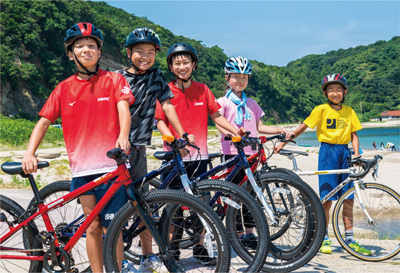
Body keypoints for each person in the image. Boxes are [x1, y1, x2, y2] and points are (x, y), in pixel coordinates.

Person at [21, 23, 134, 273]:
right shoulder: (63, 88)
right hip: (83, 168)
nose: (86, 49)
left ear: (99, 52)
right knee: (92, 226)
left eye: (92, 45)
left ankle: (117, 269)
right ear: (71, 53)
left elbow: (124, 109)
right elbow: (43, 122)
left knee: (114, 228)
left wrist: (123, 135)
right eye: (80, 46)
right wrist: (30, 152)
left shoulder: (114, 80)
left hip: (112, 167)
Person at [155, 43, 244, 265]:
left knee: (201, 204)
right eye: (177, 63)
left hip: (199, 157)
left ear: (194, 64)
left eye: (186, 62)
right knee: (174, 207)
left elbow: (217, 116)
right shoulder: (165, 90)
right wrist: (172, 139)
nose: (182, 66)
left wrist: (236, 131)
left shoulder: (203, 89)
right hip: (175, 158)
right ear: (171, 66)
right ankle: (172, 249)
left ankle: (199, 246)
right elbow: (160, 122)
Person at [117, 27, 193, 272]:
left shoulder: (157, 77)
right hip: (114, 149)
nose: (145, 56)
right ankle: (115, 259)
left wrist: (182, 133)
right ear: (129, 53)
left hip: (138, 148)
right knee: (115, 207)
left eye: (151, 52)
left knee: (142, 204)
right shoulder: (116, 78)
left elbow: (168, 106)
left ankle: (147, 255)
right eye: (140, 51)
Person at [275, 73, 371, 256]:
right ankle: (324, 237)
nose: (335, 93)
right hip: (327, 153)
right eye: (331, 90)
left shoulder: (350, 111)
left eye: (338, 90)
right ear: (326, 93)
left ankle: (349, 239)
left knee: (348, 198)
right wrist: (283, 142)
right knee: (327, 197)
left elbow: (354, 135)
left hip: (345, 153)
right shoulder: (320, 110)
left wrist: (357, 155)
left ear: (345, 91)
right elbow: (303, 127)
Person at [216, 56, 292, 248]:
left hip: (252, 154)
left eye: (244, 77)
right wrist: (232, 133)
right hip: (232, 155)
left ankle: (249, 234)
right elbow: (219, 125)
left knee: (252, 194)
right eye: (236, 76)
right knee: (234, 195)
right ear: (227, 77)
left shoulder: (252, 104)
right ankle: (237, 233)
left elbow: (260, 126)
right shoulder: (222, 103)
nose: (240, 80)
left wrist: (279, 130)